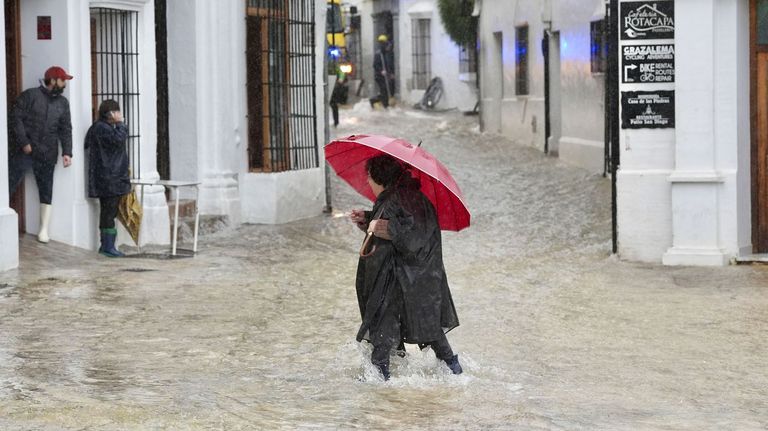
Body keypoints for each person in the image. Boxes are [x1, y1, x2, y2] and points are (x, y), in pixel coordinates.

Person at [349, 154, 462, 380]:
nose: (368, 182)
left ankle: (379, 386)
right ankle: (455, 372)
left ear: (379, 178)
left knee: (383, 328)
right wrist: (369, 218)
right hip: (420, 277)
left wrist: (386, 229)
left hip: (401, 279)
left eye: (369, 177)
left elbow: (411, 235)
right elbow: (404, 224)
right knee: (429, 328)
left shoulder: (395, 199)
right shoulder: (407, 197)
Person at [8, 66, 73, 243]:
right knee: (10, 182)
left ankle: (43, 229)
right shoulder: (30, 95)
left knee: (46, 190)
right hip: (25, 150)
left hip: (48, 152)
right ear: (52, 80)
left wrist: (67, 152)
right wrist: (24, 142)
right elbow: (15, 118)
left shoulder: (63, 103)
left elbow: (66, 128)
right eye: (62, 80)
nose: (65, 84)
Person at [85, 99, 130, 258]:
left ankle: (107, 245)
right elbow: (118, 140)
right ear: (110, 113)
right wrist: (121, 124)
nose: (120, 115)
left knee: (109, 212)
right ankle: (107, 246)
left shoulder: (103, 128)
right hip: (109, 177)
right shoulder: (102, 128)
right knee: (108, 212)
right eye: (117, 112)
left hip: (111, 177)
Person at [368, 34, 395, 109]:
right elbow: (375, 65)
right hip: (379, 76)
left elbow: (389, 64)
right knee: (384, 91)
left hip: (386, 75)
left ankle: (384, 104)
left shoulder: (387, 53)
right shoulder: (378, 54)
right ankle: (379, 103)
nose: (384, 45)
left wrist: (391, 73)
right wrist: (381, 71)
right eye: (382, 43)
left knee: (387, 90)